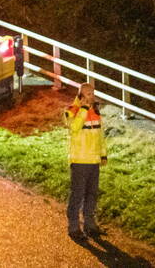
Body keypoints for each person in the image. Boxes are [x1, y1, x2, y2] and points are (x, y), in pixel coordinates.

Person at [65, 82, 107, 241]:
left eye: (93, 93)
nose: (92, 96)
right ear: (80, 96)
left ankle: (90, 225)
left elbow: (100, 135)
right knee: (77, 195)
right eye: (89, 94)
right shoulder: (71, 111)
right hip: (80, 160)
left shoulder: (95, 111)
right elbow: (75, 127)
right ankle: (73, 227)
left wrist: (103, 154)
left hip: (94, 160)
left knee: (92, 194)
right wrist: (83, 109)